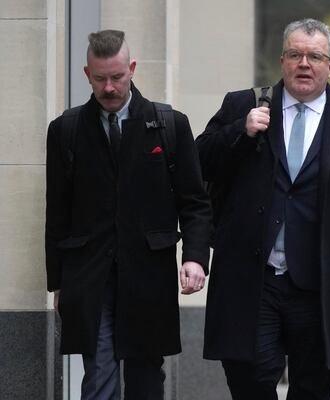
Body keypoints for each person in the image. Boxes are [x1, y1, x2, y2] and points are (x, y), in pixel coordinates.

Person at [196, 18, 330, 400]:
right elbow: (199, 163)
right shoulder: (244, 105)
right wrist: (240, 129)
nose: (304, 63)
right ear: (282, 60)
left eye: (315, 56)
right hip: (255, 277)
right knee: (250, 378)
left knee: (315, 386)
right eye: (295, 54)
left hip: (323, 281)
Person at [45, 30, 212, 399]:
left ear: (132, 69)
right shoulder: (66, 130)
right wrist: (58, 282)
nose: (109, 87)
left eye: (117, 77)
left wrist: (196, 258)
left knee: (145, 377)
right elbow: (56, 211)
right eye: (101, 78)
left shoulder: (170, 124)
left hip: (149, 272)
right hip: (90, 274)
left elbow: (195, 201)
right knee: (99, 370)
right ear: (87, 74)